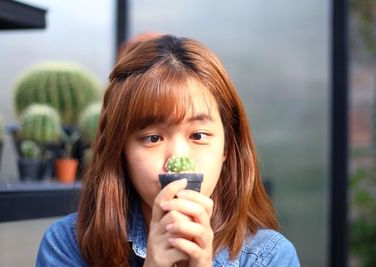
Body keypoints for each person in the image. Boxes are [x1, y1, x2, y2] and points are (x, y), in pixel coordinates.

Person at [36, 34, 300, 267]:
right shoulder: (68, 246)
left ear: (227, 147)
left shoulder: (268, 257)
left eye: (198, 135)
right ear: (121, 150)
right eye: (152, 138)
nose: (177, 159)